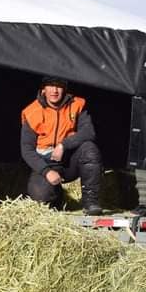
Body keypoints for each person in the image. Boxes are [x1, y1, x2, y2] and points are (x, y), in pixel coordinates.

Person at [21, 76, 103, 215]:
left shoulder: (77, 104)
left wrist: (63, 145)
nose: (54, 90)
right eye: (50, 86)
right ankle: (57, 196)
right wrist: (47, 171)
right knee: (40, 197)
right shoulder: (31, 112)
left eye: (59, 86)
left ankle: (91, 202)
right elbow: (26, 150)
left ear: (64, 88)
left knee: (89, 149)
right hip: (46, 163)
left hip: (69, 161)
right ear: (43, 90)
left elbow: (89, 132)